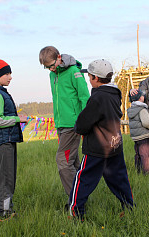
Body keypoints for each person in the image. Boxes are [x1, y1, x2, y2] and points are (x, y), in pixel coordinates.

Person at [68, 59, 134, 221]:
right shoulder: (114, 94)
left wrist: (78, 128)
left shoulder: (98, 98)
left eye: (90, 77)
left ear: (96, 78)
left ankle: (76, 212)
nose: (89, 80)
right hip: (115, 144)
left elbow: (84, 123)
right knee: (119, 178)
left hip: (97, 147)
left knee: (83, 179)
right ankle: (129, 207)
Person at [39, 46, 90, 197]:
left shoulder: (74, 72)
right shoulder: (52, 76)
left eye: (52, 65)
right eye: (47, 68)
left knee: (62, 160)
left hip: (73, 125)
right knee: (72, 162)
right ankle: (82, 195)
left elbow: (84, 97)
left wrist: (83, 122)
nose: (51, 69)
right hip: (60, 124)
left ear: (59, 57)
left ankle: (76, 199)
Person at [0, 57, 29, 220]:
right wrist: (18, 119)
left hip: (6, 140)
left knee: (9, 177)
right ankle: (5, 213)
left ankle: (7, 209)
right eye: (7, 73)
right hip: (2, 142)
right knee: (5, 179)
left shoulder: (0, 92)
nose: (10, 77)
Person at [127, 90, 149, 175]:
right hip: (144, 135)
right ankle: (146, 173)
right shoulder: (142, 109)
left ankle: (138, 171)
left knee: (138, 154)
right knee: (145, 155)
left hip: (136, 136)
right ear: (140, 98)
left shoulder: (132, 109)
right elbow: (146, 122)